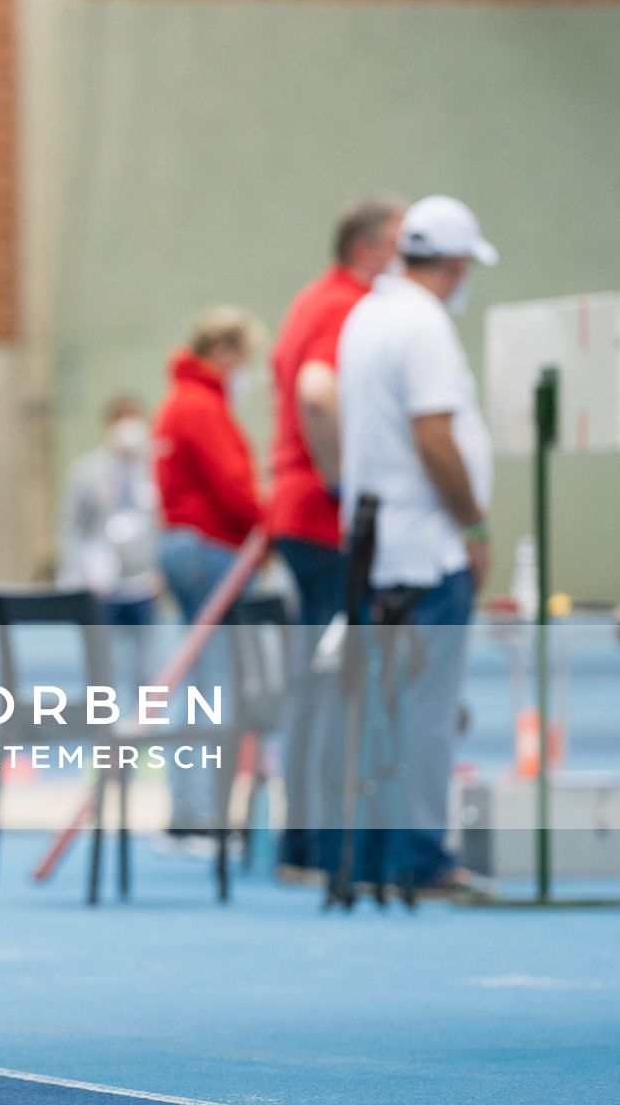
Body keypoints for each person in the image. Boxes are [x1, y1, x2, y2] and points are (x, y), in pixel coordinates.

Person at [331, 195, 496, 897]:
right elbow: (434, 436)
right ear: (457, 264)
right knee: (426, 712)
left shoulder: (367, 313)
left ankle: (372, 854)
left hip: (371, 542)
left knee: (382, 708)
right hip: (424, 548)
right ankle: (423, 857)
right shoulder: (424, 326)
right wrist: (473, 522)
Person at [265, 197, 401, 879]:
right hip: (323, 519)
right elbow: (318, 393)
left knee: (313, 684)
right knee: (329, 685)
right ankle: (318, 846)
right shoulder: (347, 307)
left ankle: (303, 843)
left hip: (300, 514)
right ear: (371, 249)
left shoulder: (309, 300)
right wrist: (343, 483)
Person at [151, 307, 264, 840]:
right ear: (223, 354)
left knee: (197, 680)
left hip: (183, 545)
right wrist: (273, 522)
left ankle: (192, 807)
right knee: (213, 683)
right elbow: (233, 485)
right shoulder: (201, 404)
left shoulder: (178, 401)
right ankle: (202, 813)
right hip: (208, 547)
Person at [57, 394, 161, 710]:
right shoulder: (86, 472)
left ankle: (144, 742)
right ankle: (106, 746)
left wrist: (163, 569)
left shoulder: (155, 470)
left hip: (144, 583)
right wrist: (79, 571)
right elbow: (70, 525)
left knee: (146, 667)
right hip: (103, 587)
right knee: (105, 671)